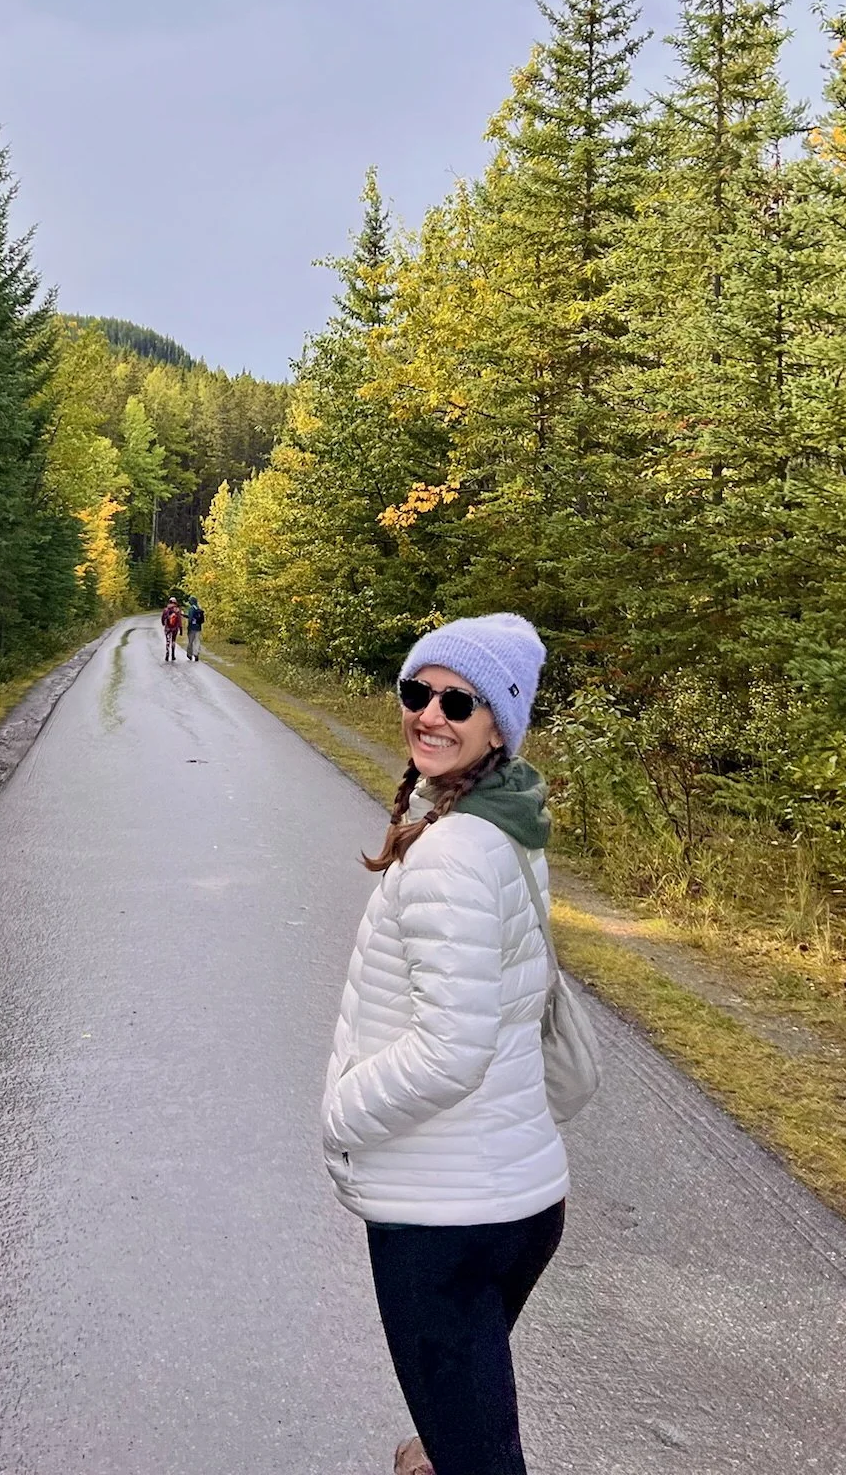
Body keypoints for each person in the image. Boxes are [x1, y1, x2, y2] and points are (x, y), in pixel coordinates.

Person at [321, 613, 566, 1475]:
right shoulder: (506, 821)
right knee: (457, 1441)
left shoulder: (453, 853)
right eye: (416, 691)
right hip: (513, 1197)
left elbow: (452, 1050)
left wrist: (340, 1116)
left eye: (458, 702)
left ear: (499, 726)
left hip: (446, 1218)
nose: (429, 713)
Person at [160, 596, 183, 661]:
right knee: (173, 640)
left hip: (167, 628)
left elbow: (162, 618)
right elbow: (179, 620)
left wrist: (163, 623)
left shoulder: (166, 609)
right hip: (175, 628)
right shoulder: (177, 610)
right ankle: (173, 655)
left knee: (167, 641)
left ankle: (167, 654)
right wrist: (181, 629)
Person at [185, 596, 204, 661]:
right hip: (198, 627)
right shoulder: (198, 608)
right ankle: (196, 654)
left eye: (190, 601)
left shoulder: (191, 608)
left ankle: (189, 654)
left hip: (192, 627)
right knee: (197, 641)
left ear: (192, 601)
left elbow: (190, 618)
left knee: (191, 641)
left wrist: (188, 626)